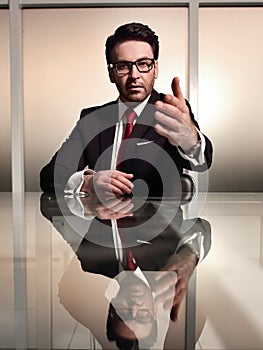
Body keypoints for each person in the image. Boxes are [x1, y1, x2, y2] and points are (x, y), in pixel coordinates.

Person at [40, 22, 213, 197]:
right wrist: (87, 183)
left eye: (143, 64)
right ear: (111, 74)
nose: (134, 75)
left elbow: (202, 162)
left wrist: (190, 141)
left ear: (155, 69)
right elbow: (50, 175)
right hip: (102, 221)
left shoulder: (172, 111)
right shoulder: (91, 119)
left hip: (158, 222)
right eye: (123, 66)